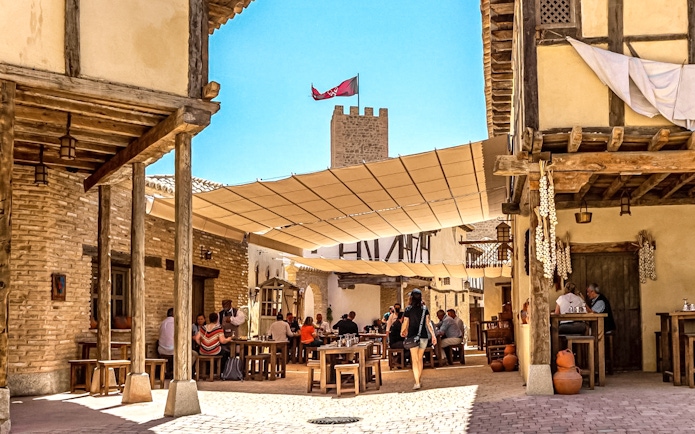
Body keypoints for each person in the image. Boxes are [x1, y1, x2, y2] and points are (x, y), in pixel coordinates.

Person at [401, 289, 437, 390]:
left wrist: (402, 331)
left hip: (413, 336)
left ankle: (417, 382)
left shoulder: (408, 309)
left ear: (411, 297)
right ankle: (419, 380)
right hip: (424, 336)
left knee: (415, 360)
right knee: (420, 359)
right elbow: (428, 323)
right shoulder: (425, 309)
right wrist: (433, 335)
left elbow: (405, 322)